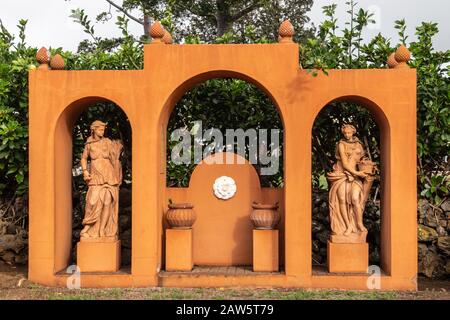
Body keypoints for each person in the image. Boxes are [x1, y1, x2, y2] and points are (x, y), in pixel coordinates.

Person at [80, 120, 123, 240]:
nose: (102, 132)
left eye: (103, 130)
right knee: (92, 202)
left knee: (107, 202)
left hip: (109, 176)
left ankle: (102, 229)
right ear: (94, 129)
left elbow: (114, 159)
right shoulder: (90, 143)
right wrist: (85, 171)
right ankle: (88, 228)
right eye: (100, 130)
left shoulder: (107, 142)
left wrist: (117, 172)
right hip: (96, 177)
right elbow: (84, 158)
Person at [327, 124, 370, 239]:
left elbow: (361, 159)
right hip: (341, 174)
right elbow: (345, 164)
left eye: (349, 133)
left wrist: (365, 166)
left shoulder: (358, 144)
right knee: (341, 200)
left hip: (354, 175)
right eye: (345, 133)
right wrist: (357, 173)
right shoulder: (341, 144)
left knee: (355, 198)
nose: (347, 135)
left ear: (353, 132)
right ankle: (348, 226)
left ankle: (359, 224)